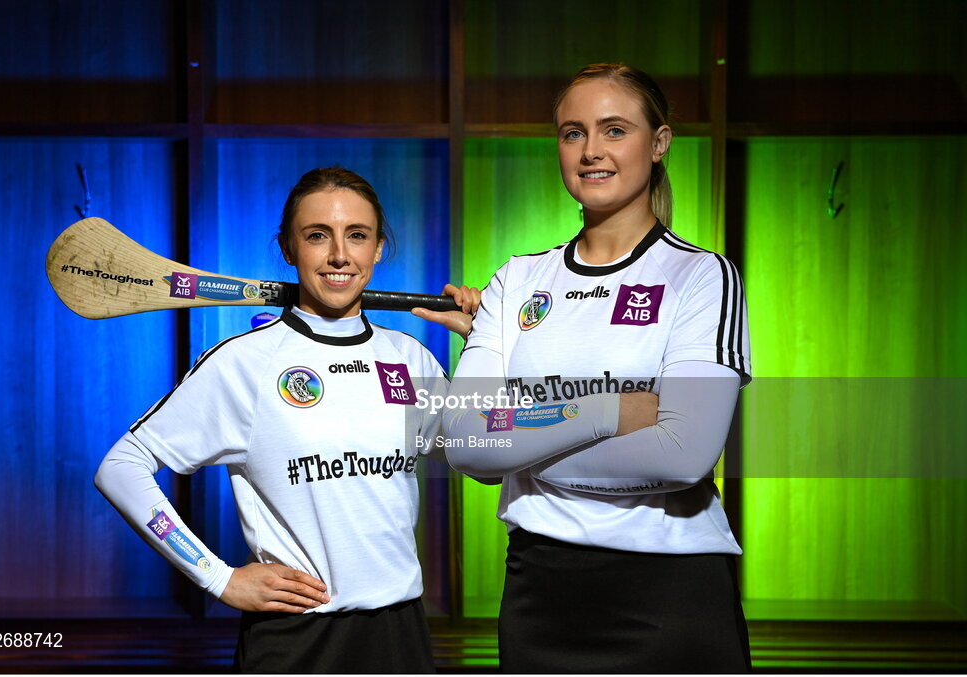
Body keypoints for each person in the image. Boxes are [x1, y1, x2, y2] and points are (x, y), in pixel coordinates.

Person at [95, 167, 477, 673]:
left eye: (357, 236)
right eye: (317, 236)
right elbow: (120, 467)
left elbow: (484, 451)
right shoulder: (245, 363)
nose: (340, 255)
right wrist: (217, 577)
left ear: (378, 248)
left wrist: (481, 343)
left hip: (400, 633)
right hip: (296, 639)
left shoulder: (409, 357)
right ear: (288, 248)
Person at [442, 64, 752, 673]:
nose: (591, 151)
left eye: (614, 130)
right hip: (539, 591)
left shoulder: (700, 276)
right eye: (572, 133)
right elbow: (464, 443)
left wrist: (521, 441)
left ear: (658, 143)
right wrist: (606, 412)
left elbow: (684, 455)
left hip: (669, 592)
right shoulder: (518, 279)